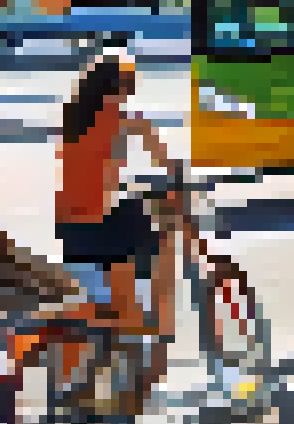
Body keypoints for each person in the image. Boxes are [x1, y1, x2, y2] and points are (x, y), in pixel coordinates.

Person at [34, 55, 183, 406]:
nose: (131, 91)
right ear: (121, 87)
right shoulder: (125, 117)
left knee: (105, 307)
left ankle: (91, 380)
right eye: (129, 83)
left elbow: (89, 170)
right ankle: (156, 344)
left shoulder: (72, 119)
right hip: (104, 227)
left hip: (69, 229)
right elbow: (163, 163)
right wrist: (176, 177)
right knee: (163, 245)